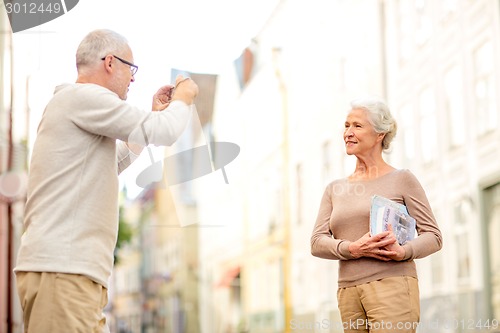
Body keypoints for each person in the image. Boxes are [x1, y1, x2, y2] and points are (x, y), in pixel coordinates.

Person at [14, 29, 199, 332]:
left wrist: (151, 118)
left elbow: (112, 163)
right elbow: (165, 130)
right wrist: (184, 98)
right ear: (110, 62)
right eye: (131, 68)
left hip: (71, 272)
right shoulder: (85, 98)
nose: (133, 78)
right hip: (64, 270)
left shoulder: (76, 104)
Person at [310, 96, 442, 333]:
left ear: (380, 134)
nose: (348, 132)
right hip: (348, 292)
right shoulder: (334, 189)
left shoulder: (402, 179)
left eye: (357, 126)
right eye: (346, 125)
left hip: (392, 286)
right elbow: (317, 242)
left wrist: (404, 252)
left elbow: (433, 235)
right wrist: (352, 249)